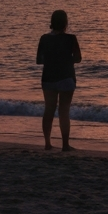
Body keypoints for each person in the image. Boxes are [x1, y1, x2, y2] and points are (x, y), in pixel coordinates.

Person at [36, 10, 82, 152]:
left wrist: (52, 59)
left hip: (48, 77)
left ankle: (47, 143)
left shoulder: (44, 38)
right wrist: (66, 59)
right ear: (65, 23)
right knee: (64, 111)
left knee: (49, 110)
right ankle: (65, 145)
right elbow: (78, 58)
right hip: (66, 77)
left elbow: (39, 60)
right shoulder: (71, 39)